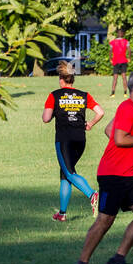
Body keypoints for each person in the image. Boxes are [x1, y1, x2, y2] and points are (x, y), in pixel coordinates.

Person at [69, 70, 133, 264]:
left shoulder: (131, 109)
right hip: (113, 174)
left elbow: (110, 130)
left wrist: (127, 144)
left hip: (127, 174)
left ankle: (117, 260)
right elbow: (118, 139)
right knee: (104, 220)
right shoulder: (128, 108)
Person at [42, 60, 104, 222]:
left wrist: (56, 110)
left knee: (69, 172)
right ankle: (62, 213)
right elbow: (100, 112)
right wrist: (89, 124)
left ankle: (92, 194)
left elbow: (46, 118)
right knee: (65, 174)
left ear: (61, 79)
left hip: (64, 140)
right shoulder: (83, 95)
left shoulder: (54, 95)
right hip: (80, 140)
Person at [108, 29, 129, 96]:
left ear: (117, 34)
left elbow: (110, 51)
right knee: (124, 77)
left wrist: (110, 59)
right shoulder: (126, 42)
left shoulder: (113, 42)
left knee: (115, 77)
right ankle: (125, 93)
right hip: (123, 61)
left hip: (116, 61)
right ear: (123, 34)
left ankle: (113, 93)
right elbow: (129, 50)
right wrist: (129, 58)